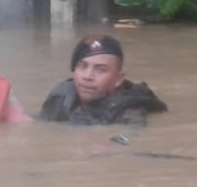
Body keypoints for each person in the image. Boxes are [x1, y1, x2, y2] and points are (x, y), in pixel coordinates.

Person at [38, 34, 167, 126]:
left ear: (118, 79)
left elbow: (132, 137)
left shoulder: (129, 110)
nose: (88, 76)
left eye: (100, 69)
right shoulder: (63, 96)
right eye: (82, 66)